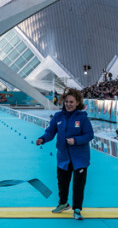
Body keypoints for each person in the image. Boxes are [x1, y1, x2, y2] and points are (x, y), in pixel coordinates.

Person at [35, 88, 94, 220]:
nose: (68, 104)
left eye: (71, 102)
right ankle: (63, 203)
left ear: (77, 102)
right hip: (63, 157)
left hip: (80, 158)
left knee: (78, 185)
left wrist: (76, 141)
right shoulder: (58, 117)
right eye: (67, 101)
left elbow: (89, 135)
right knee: (62, 183)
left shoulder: (82, 118)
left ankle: (77, 209)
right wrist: (42, 139)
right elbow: (50, 132)